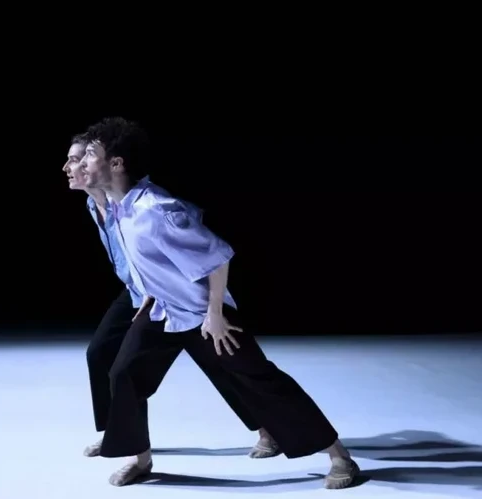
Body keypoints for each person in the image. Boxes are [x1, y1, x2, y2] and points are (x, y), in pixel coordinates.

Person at [78, 117, 360, 490]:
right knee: (123, 373)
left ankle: (339, 456)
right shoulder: (118, 207)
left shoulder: (156, 208)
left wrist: (214, 314)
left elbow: (218, 257)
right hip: (162, 311)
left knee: (259, 379)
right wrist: (149, 294)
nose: (81, 163)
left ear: (117, 163)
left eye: (90, 155)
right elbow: (144, 259)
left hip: (203, 314)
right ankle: (140, 459)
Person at [62, 134, 279, 461]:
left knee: (217, 361)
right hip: (136, 291)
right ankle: (117, 434)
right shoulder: (94, 205)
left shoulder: (133, 201)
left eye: (77, 159)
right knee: (100, 353)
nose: (69, 166)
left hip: (170, 291)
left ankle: (267, 429)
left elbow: (188, 223)